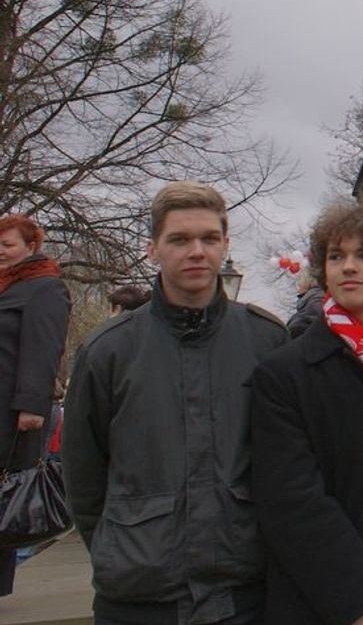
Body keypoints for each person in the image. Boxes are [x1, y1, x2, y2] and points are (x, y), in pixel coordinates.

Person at [64, 182, 287, 625]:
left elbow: (286, 459)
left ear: (225, 245)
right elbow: (84, 473)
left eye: (209, 238)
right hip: (138, 594)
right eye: (180, 239)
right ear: (153, 249)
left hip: (242, 592)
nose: (197, 252)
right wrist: (117, 545)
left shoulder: (267, 340)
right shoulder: (109, 350)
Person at [252, 203, 363, 625]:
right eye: (335, 256)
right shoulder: (283, 372)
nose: (348, 267)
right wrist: (358, 607)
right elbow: (291, 500)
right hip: (317, 603)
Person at [0, 215, 70, 597]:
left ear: (31, 246)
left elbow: (44, 349)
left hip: (10, 414)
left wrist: (31, 407)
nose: (0, 251)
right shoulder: (7, 286)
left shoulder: (45, 287)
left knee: (7, 498)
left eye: (7, 244)